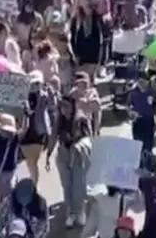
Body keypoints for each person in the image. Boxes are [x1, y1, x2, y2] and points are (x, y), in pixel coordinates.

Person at [50, 96, 94, 228]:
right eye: (62, 106)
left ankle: (80, 211)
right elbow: (53, 136)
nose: (64, 109)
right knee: (67, 185)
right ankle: (70, 212)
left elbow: (89, 137)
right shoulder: (59, 120)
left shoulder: (81, 119)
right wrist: (48, 154)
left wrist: (79, 144)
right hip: (63, 153)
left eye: (66, 106)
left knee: (78, 185)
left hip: (79, 154)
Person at [21, 71, 54, 185]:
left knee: (32, 161)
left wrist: (50, 92)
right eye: (32, 83)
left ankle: (34, 184)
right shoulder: (23, 96)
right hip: (25, 132)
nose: (34, 86)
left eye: (37, 83)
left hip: (39, 132)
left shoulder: (45, 95)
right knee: (30, 162)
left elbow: (52, 108)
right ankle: (34, 183)